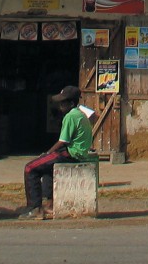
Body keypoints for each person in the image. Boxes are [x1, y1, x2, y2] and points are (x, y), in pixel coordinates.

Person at [22, 85, 98, 220]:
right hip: (77, 153)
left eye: (63, 103)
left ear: (71, 103)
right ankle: (49, 204)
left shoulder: (71, 116)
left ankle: (34, 208)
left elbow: (62, 141)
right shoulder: (80, 114)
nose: (60, 106)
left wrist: (47, 153)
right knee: (46, 168)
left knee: (30, 168)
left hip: (72, 153)